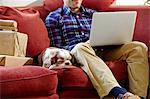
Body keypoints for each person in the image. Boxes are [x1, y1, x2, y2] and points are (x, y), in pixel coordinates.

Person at [45, 0, 149, 98]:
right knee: (80, 47)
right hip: (77, 52)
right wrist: (85, 44)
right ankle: (119, 93)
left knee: (138, 47)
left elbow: (107, 35)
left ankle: (138, 97)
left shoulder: (94, 14)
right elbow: (58, 47)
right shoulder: (54, 18)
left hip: (102, 49)